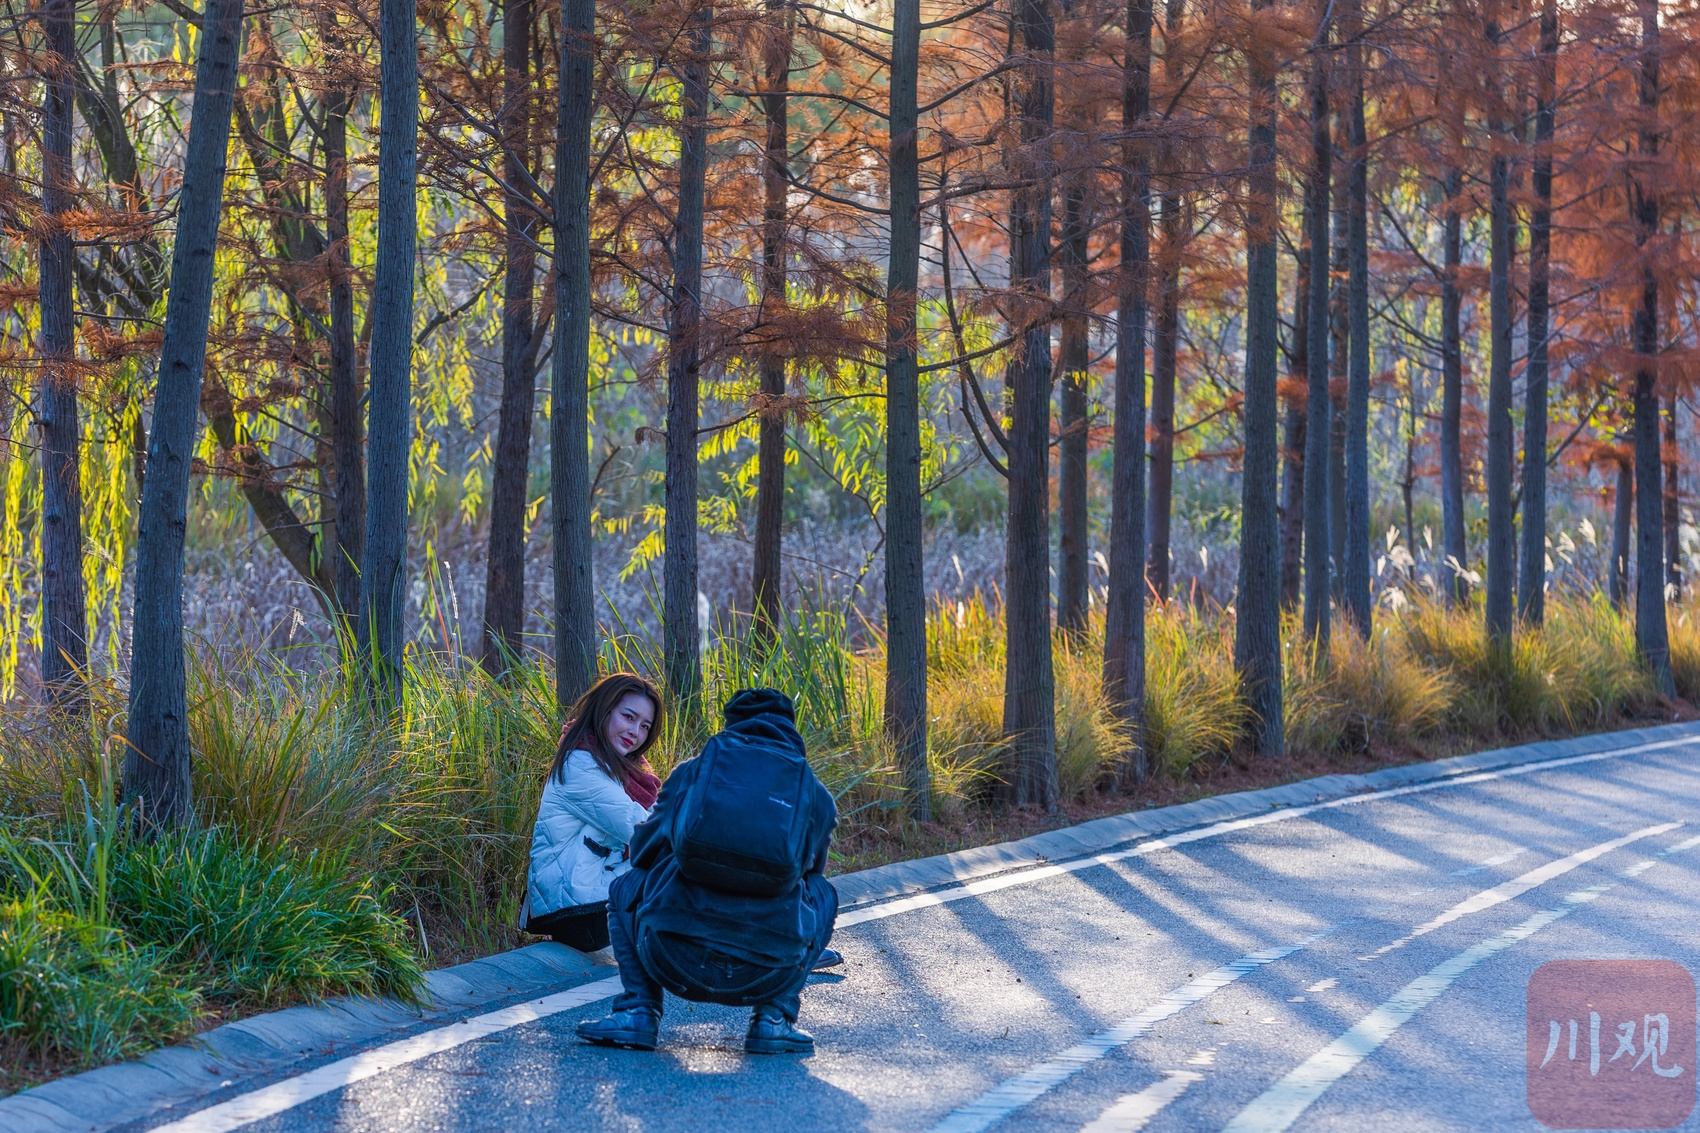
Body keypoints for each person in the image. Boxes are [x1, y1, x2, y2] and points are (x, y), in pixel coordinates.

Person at [577, 688, 840, 1055]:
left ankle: (638, 1012)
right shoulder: (814, 793)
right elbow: (813, 873)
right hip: (767, 971)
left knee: (625, 885)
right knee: (824, 893)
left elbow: (641, 853)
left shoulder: (692, 774)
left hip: (672, 959)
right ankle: (773, 1020)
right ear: (789, 729)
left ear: (730, 725)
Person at [523, 673, 664, 953]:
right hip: (574, 907)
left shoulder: (615, 768)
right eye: (629, 717)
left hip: (588, 895)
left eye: (645, 726)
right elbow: (640, 828)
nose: (636, 732)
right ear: (605, 709)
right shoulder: (580, 765)